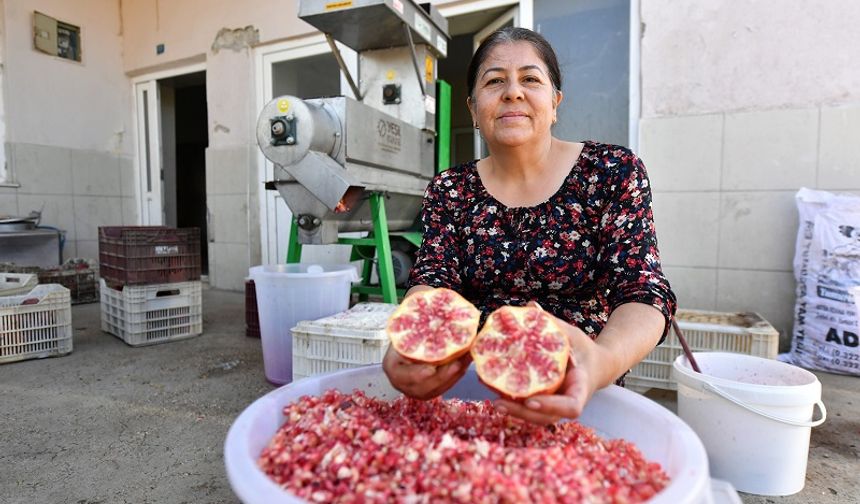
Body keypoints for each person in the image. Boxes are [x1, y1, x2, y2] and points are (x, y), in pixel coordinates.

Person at [382, 27, 677, 425]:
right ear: (473, 108)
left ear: (555, 102)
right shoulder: (450, 190)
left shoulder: (612, 173)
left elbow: (644, 291)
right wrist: (412, 340)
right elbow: (433, 282)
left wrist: (602, 361)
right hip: (473, 394)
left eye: (531, 79)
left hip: (583, 393)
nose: (513, 92)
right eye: (494, 81)